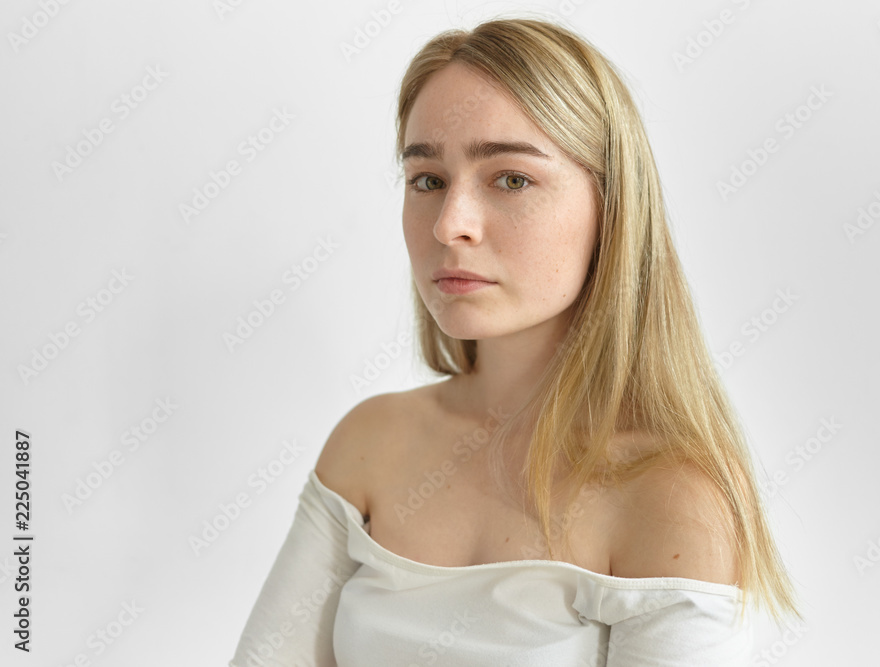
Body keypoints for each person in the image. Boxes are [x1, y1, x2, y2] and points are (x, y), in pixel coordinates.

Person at [229, 15, 801, 666]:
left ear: (613, 207)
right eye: (427, 180)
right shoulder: (370, 442)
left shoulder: (672, 495)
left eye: (511, 178)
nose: (450, 225)